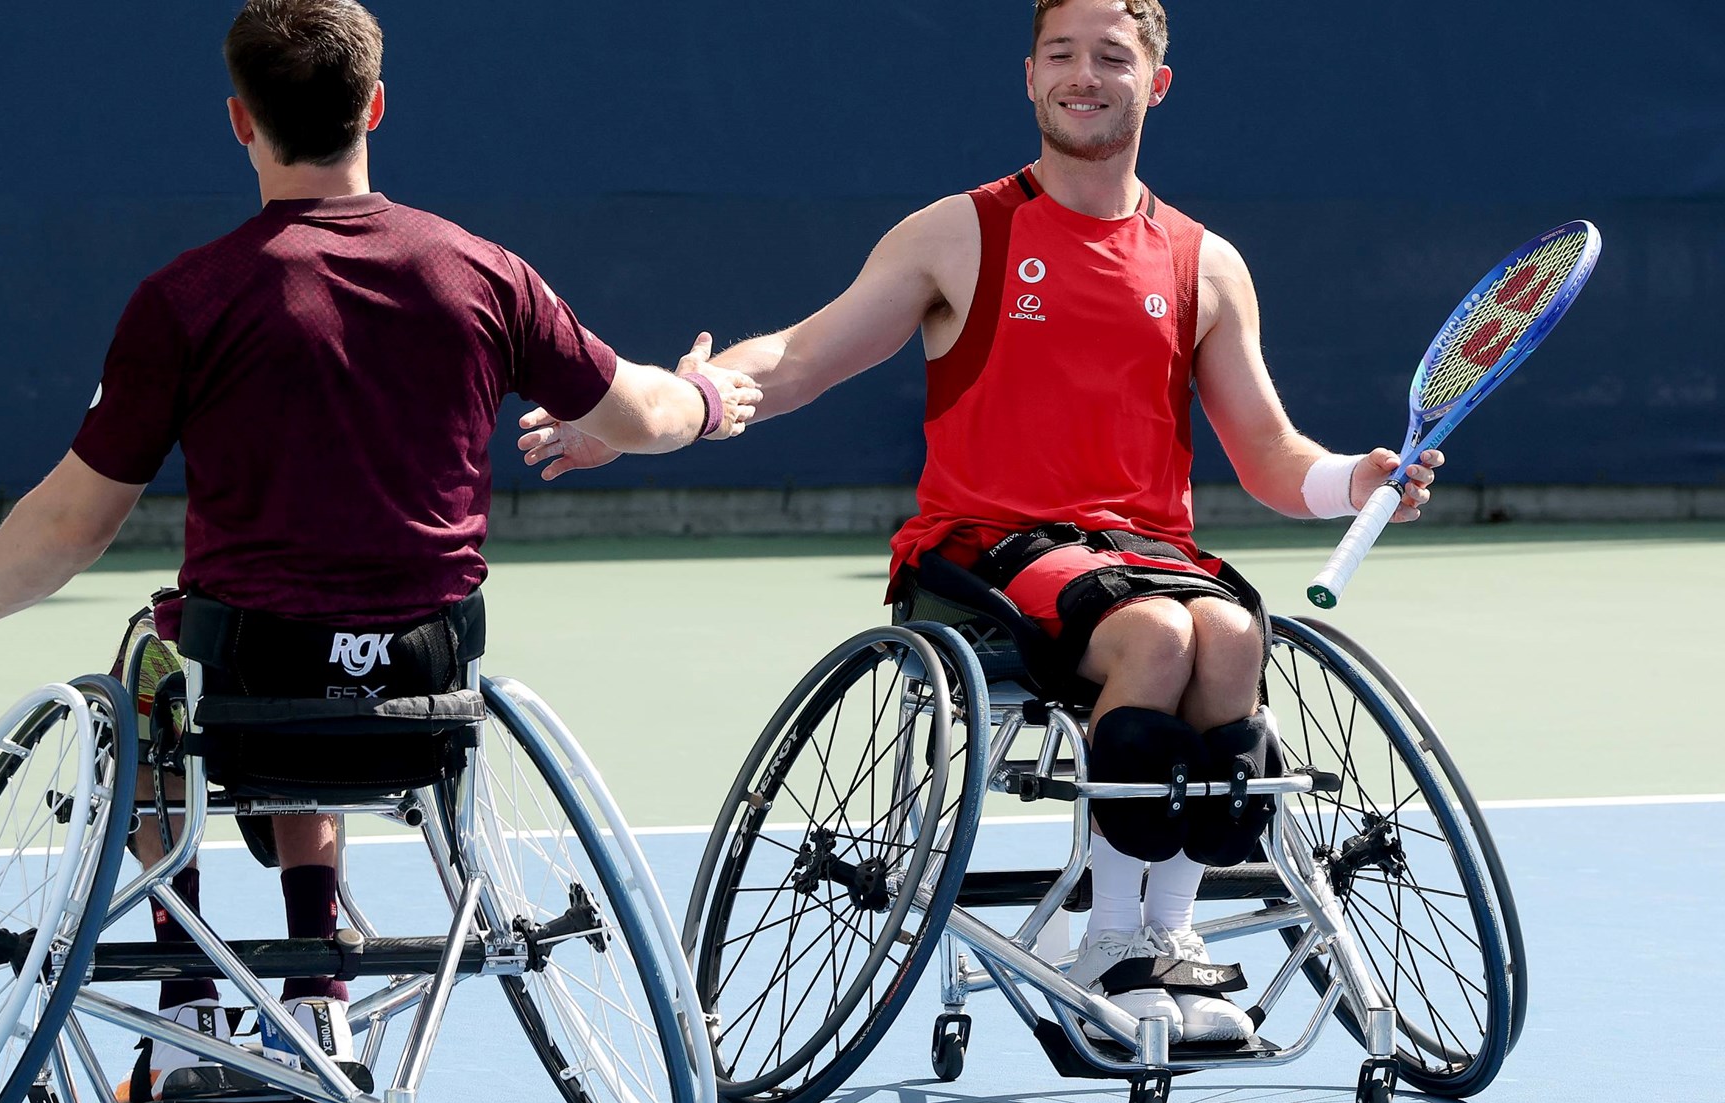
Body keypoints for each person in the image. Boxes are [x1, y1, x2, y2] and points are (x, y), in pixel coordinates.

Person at [0, 0, 760, 1103]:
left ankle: (189, 1005)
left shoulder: (184, 302)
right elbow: (639, 411)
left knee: (154, 668)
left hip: (250, 677)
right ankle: (320, 996)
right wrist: (706, 394)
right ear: (374, 108)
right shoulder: (482, 274)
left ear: (239, 122)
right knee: (315, 654)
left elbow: (70, 527)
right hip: (425, 686)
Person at [519, 0, 1441, 1046]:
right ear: (1027, 76)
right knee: (1160, 633)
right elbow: (797, 357)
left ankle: (1165, 940)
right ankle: (1108, 938)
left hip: (1145, 556)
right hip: (982, 549)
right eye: (1059, 55)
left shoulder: (1203, 263)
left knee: (1230, 630)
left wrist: (1352, 481)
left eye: (1110, 57)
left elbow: (1272, 458)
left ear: (1155, 83)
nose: (1081, 76)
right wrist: (667, 412)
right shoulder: (959, 233)